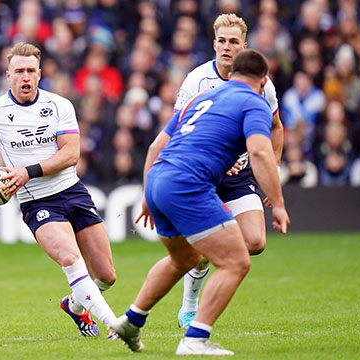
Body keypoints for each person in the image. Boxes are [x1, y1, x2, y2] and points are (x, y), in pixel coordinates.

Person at [111, 49, 290, 355]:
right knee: (235, 262)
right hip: (188, 183)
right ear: (263, 81)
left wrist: (146, 194)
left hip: (158, 178)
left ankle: (130, 320)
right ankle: (195, 338)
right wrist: (279, 202)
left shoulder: (202, 98)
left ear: (231, 74)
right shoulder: (255, 102)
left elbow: (156, 146)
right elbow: (260, 152)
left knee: (184, 259)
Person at [0, 42, 118, 338]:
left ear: (40, 73)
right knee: (71, 259)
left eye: (31, 71)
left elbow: (71, 154)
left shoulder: (59, 105)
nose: (25, 77)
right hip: (37, 201)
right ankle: (115, 324)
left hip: (72, 191)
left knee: (107, 276)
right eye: (19, 71)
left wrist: (26, 172)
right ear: (8, 75)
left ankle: (74, 304)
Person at [170, 13, 284, 330]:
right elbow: (177, 128)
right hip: (205, 175)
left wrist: (272, 169)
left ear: (243, 46)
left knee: (256, 243)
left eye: (233, 42)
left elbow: (276, 127)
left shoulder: (262, 84)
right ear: (214, 43)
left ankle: (204, 266)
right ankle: (190, 308)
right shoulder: (196, 80)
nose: (226, 47)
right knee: (211, 245)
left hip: (240, 176)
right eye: (221, 41)